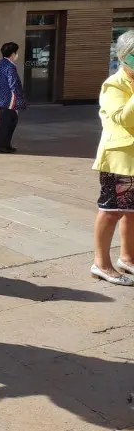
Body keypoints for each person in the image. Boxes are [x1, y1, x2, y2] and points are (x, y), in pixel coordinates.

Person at [91, 30, 134, 286]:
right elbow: (123, 118)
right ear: (126, 57)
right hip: (120, 160)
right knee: (112, 212)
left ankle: (127, 258)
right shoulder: (114, 85)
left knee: (132, 212)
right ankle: (101, 264)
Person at [0, 42, 27, 154]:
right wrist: (19, 99)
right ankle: (0, 146)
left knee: (10, 121)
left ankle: (6, 144)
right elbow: (13, 84)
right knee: (7, 123)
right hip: (9, 99)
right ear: (13, 53)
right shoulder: (10, 66)